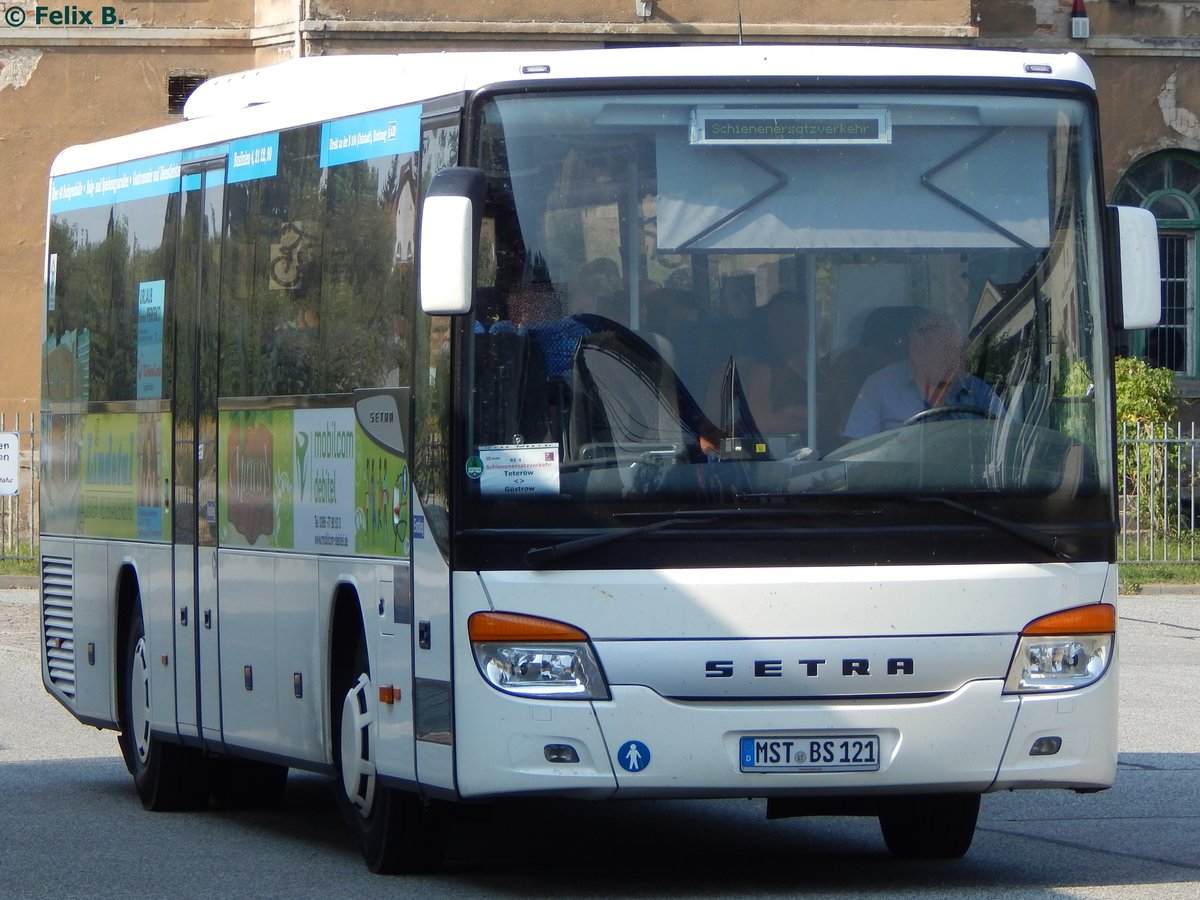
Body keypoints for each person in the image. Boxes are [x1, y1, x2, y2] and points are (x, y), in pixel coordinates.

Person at [842, 309, 1002, 440]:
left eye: (957, 351)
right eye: (943, 351)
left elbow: (1008, 440)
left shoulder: (978, 391)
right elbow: (856, 457)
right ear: (915, 350)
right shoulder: (879, 386)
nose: (953, 360)